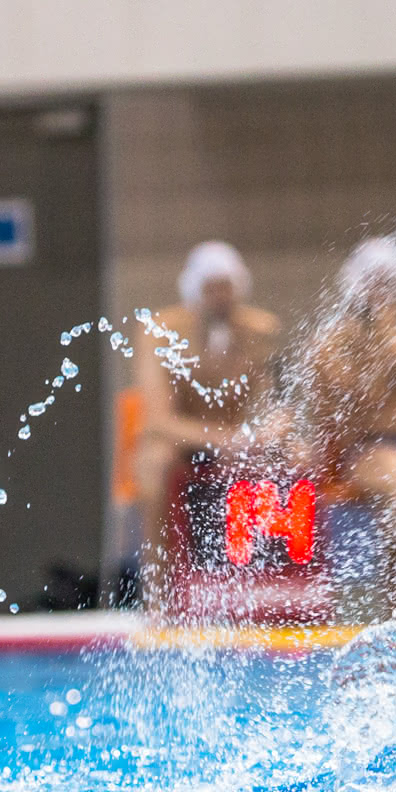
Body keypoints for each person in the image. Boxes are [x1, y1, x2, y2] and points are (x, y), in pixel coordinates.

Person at [294, 239, 396, 612]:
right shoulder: (330, 347)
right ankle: (395, 598)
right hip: (364, 454)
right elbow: (352, 415)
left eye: (387, 284)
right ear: (353, 289)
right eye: (372, 284)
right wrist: (384, 354)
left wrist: (393, 411)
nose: (380, 295)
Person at [134, 241, 281, 603]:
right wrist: (227, 439)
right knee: (154, 463)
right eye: (210, 289)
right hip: (181, 445)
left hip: (236, 442)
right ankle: (159, 594)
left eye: (225, 288)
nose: (219, 298)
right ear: (193, 292)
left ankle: (276, 588)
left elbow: (278, 404)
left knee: (298, 454)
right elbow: (158, 420)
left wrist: (268, 432)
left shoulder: (261, 331)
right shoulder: (160, 332)